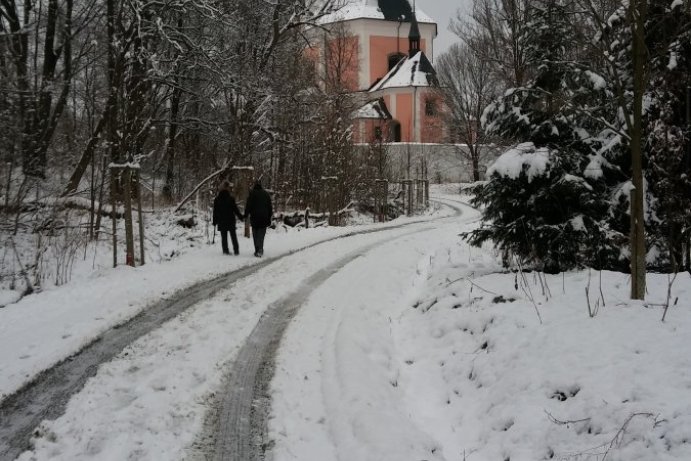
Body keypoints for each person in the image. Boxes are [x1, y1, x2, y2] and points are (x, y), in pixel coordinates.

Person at [212, 180, 244, 255]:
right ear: (227, 189)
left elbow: (215, 211)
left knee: (224, 237)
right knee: (233, 236)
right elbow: (235, 209)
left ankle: (225, 251)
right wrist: (240, 217)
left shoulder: (217, 199)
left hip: (221, 220)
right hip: (230, 220)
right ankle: (236, 250)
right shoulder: (231, 198)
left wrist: (214, 221)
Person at [244, 181, 273, 257]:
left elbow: (248, 206)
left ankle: (257, 249)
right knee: (261, 234)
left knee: (255, 234)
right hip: (264, 217)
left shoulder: (251, 194)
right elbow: (270, 207)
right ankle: (260, 249)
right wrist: (269, 217)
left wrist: (246, 215)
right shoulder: (266, 194)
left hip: (254, 217)